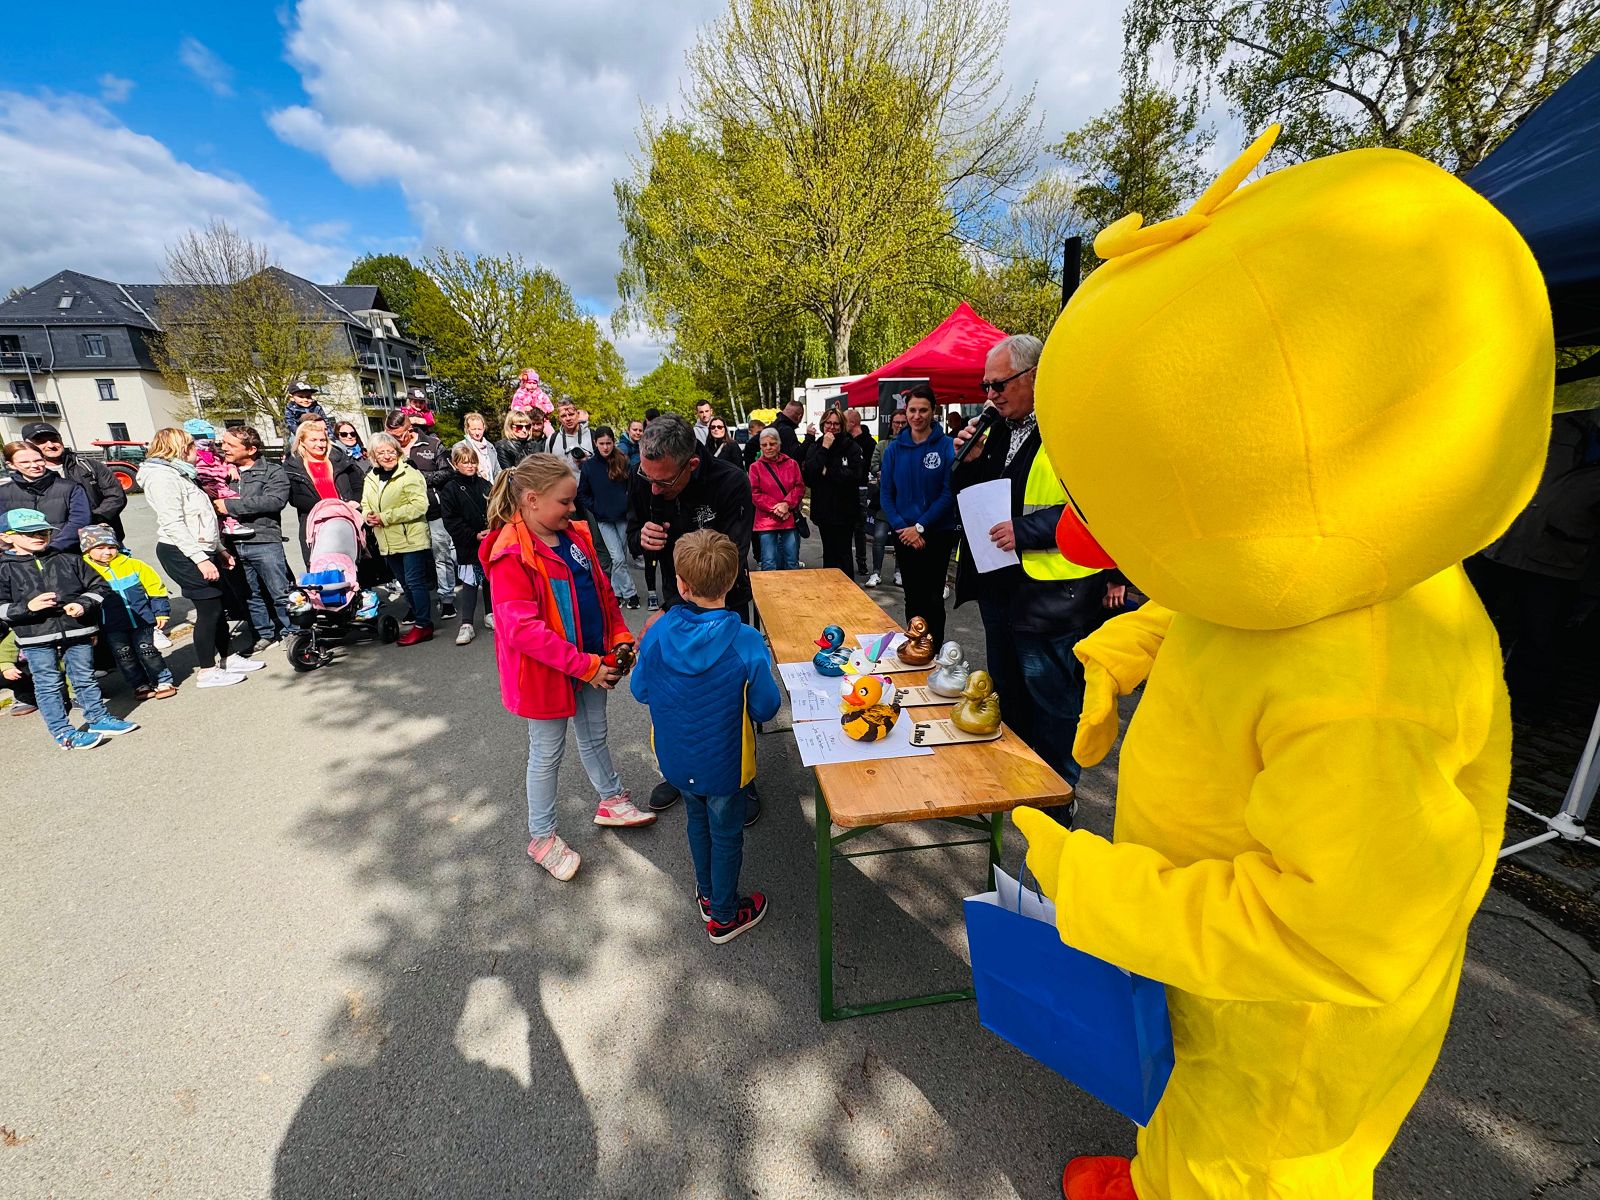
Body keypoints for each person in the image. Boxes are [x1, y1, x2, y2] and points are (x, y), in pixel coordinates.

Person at [952, 335, 1129, 811]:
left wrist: (1027, 530)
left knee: (1052, 703)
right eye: (985, 387)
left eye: (999, 385)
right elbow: (970, 496)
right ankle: (1021, 784)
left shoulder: (1068, 429)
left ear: (1033, 376)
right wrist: (967, 462)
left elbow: (1094, 504)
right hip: (999, 588)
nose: (990, 395)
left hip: (1051, 597)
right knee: (1008, 697)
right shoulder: (997, 429)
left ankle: (1057, 799)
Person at [483, 453, 656, 882]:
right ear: (532, 499)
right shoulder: (511, 553)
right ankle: (541, 837)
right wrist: (584, 666)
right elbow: (522, 631)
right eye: (564, 501)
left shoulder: (576, 536)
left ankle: (611, 798)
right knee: (546, 754)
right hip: (549, 673)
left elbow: (603, 593)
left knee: (595, 734)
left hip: (590, 662)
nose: (574, 508)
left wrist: (619, 636)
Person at [632, 530, 781, 942]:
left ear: (681, 584)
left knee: (696, 821)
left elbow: (640, 690)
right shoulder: (746, 641)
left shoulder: (658, 633)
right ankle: (725, 914)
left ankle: (707, 892)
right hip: (726, 763)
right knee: (727, 833)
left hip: (676, 757)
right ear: (733, 582)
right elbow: (766, 708)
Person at [627, 414, 758, 815]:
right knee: (676, 692)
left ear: (692, 465)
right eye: (647, 477)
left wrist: (670, 611)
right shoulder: (646, 474)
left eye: (664, 482)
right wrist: (641, 539)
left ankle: (742, 779)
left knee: (731, 696)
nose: (653, 487)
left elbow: (731, 559)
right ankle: (680, 771)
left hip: (724, 602)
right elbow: (633, 531)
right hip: (675, 596)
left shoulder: (730, 481)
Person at [1466, 407, 1600, 716]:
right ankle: (1446, 688)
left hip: (1559, 560)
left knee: (1540, 637)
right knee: (1464, 618)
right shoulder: (1560, 419)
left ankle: (1519, 707)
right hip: (1500, 542)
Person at [137, 427, 263, 688]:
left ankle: (227, 658)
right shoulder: (162, 478)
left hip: (203, 548)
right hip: (181, 552)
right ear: (180, 449)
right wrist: (200, 559)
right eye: (192, 446)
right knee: (209, 610)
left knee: (217, 605)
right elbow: (174, 523)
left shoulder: (181, 474)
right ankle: (207, 670)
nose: (198, 451)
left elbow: (201, 518)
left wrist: (219, 549)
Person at [0, 508, 136, 747]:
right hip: (35, 637)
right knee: (48, 685)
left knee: (84, 678)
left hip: (77, 630)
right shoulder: (4, 568)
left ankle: (98, 718)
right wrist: (27, 607)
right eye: (29, 533)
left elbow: (100, 587)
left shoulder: (68, 559)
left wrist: (83, 604)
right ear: (6, 536)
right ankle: (63, 733)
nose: (39, 537)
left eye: (43, 532)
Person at [877, 385, 956, 644]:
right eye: (912, 410)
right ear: (906, 411)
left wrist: (920, 526)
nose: (917, 416)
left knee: (933, 597)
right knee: (912, 596)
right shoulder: (894, 450)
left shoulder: (946, 446)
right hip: (904, 534)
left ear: (933, 411)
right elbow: (887, 494)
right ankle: (915, 647)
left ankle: (934, 651)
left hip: (937, 533)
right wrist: (903, 527)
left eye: (923, 410)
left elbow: (948, 492)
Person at [219, 426, 295, 652]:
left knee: (280, 591)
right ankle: (263, 634)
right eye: (223, 443)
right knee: (249, 594)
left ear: (251, 449)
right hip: (231, 544)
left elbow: (274, 501)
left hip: (263, 539)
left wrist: (229, 506)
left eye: (230, 445)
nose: (224, 448)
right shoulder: (220, 471)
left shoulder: (272, 471)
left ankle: (294, 632)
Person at [79, 523, 176, 700]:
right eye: (99, 548)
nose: (107, 552)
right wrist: (90, 628)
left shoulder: (134, 564)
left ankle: (163, 680)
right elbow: (84, 602)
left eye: (111, 547)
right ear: (87, 551)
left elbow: (156, 588)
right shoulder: (85, 571)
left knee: (148, 651)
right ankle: (139, 684)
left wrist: (160, 611)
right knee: (124, 656)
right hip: (111, 625)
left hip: (142, 620)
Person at [362, 433, 436, 646]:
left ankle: (423, 624)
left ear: (398, 452)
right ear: (374, 455)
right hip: (387, 540)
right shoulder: (371, 477)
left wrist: (385, 517)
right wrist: (368, 516)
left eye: (390, 451)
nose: (387, 456)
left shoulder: (409, 474)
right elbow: (365, 503)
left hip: (411, 538)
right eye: (381, 452)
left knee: (414, 582)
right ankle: (419, 619)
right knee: (405, 584)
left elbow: (420, 506)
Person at [385, 409, 457, 622]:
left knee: (441, 556)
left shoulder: (432, 444)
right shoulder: (388, 449)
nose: (397, 440)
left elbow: (448, 472)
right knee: (409, 566)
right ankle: (414, 605)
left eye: (400, 435)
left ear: (409, 428)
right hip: (404, 517)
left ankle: (446, 600)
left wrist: (418, 478)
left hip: (433, 512)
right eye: (392, 436)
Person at [22, 422, 128, 540]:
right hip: (56, 540)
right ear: (28, 445)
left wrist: (92, 519)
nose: (50, 445)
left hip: (99, 536)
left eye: (54, 439)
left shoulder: (89, 466)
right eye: (41, 441)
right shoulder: (27, 476)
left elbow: (116, 496)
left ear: (61, 440)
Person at [284, 420, 365, 566]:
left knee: (351, 565)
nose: (320, 444)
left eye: (322, 440)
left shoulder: (339, 459)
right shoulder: (292, 466)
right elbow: (294, 497)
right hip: (316, 522)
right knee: (321, 567)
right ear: (302, 442)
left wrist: (355, 500)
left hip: (346, 517)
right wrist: (326, 506)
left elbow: (357, 483)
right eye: (313, 440)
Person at [577, 427, 640, 610]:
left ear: (614, 443)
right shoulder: (589, 466)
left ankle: (615, 593)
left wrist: (628, 505)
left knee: (619, 558)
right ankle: (631, 593)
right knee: (617, 557)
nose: (605, 447)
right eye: (602, 443)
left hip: (622, 517)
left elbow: (632, 487)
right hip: (603, 519)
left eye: (608, 443)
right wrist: (595, 507)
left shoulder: (622, 461)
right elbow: (582, 493)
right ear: (595, 444)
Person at [439, 443, 495, 645]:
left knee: (489, 579)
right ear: (456, 464)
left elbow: (496, 509)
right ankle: (467, 623)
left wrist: (492, 529)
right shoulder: (450, 489)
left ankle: (490, 613)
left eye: (472, 462)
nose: (470, 466)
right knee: (470, 582)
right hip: (467, 543)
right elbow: (451, 520)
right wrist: (473, 535)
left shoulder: (485, 484)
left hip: (488, 539)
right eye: (465, 462)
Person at [803, 408, 865, 579]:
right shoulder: (816, 446)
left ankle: (848, 590)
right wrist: (824, 448)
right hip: (823, 510)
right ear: (823, 424)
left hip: (845, 511)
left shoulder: (851, 446)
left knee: (844, 554)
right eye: (828, 423)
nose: (832, 427)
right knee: (829, 554)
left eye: (836, 424)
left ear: (842, 425)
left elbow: (856, 475)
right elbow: (809, 476)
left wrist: (828, 472)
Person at [2, 441, 91, 556]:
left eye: (38, 460)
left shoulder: (71, 488)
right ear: (11, 465)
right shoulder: (3, 493)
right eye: (24, 462)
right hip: (20, 557)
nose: (34, 465)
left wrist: (54, 547)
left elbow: (80, 521)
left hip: (64, 554)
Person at [184, 419, 255, 541]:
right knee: (228, 502)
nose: (209, 446)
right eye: (205, 442)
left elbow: (225, 461)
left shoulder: (214, 454)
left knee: (233, 500)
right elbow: (190, 472)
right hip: (206, 485)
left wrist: (231, 467)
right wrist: (202, 486)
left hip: (219, 485)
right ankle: (228, 525)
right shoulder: (193, 456)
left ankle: (230, 524)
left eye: (211, 442)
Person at [749, 429, 804, 571]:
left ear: (779, 445)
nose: (768, 448)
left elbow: (799, 487)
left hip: (789, 519)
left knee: (792, 561)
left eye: (772, 444)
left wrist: (786, 504)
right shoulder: (755, 468)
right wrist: (778, 507)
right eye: (764, 445)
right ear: (760, 447)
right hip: (767, 521)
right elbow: (754, 494)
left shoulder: (792, 464)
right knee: (768, 563)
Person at [864, 410, 907, 588]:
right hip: (885, 499)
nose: (899, 426)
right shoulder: (882, 445)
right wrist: (881, 471)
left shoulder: (913, 445)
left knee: (901, 539)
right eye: (896, 422)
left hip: (905, 501)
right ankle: (876, 572)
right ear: (891, 424)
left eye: (903, 422)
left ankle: (899, 572)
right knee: (879, 537)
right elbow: (873, 465)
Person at [845, 409, 876, 575]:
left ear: (852, 423)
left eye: (844, 421)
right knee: (845, 527)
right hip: (845, 488)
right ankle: (845, 562)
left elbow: (872, 466)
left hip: (861, 489)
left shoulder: (869, 443)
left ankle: (861, 562)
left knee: (859, 528)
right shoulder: (845, 440)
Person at [455, 412, 500, 484]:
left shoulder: (490, 446)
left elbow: (497, 471)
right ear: (467, 429)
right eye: (473, 429)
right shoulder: (460, 447)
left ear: (484, 428)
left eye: (479, 429)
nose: (477, 433)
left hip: (492, 487)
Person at [547, 400, 594, 468]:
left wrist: (589, 462)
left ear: (578, 414)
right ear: (559, 418)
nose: (568, 418)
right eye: (563, 416)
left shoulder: (592, 436)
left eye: (571, 414)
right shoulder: (552, 440)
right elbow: (547, 467)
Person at [771, 398, 805, 462]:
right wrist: (809, 439)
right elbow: (796, 456)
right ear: (799, 417)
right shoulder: (786, 430)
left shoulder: (771, 427)